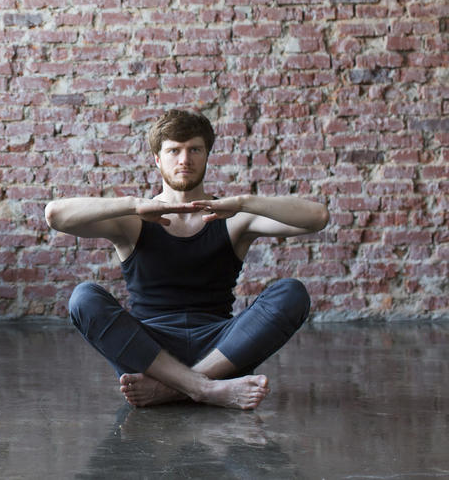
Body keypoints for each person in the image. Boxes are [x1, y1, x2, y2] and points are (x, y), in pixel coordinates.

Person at [45, 109, 329, 410]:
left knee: (291, 292)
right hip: (149, 351)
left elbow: (317, 218)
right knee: (83, 298)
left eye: (194, 149)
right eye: (173, 151)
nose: (184, 159)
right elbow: (55, 216)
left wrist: (244, 202)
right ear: (157, 158)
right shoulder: (133, 220)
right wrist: (132, 204)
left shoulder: (233, 217)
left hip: (221, 347)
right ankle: (204, 388)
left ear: (207, 155)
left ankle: (173, 389)